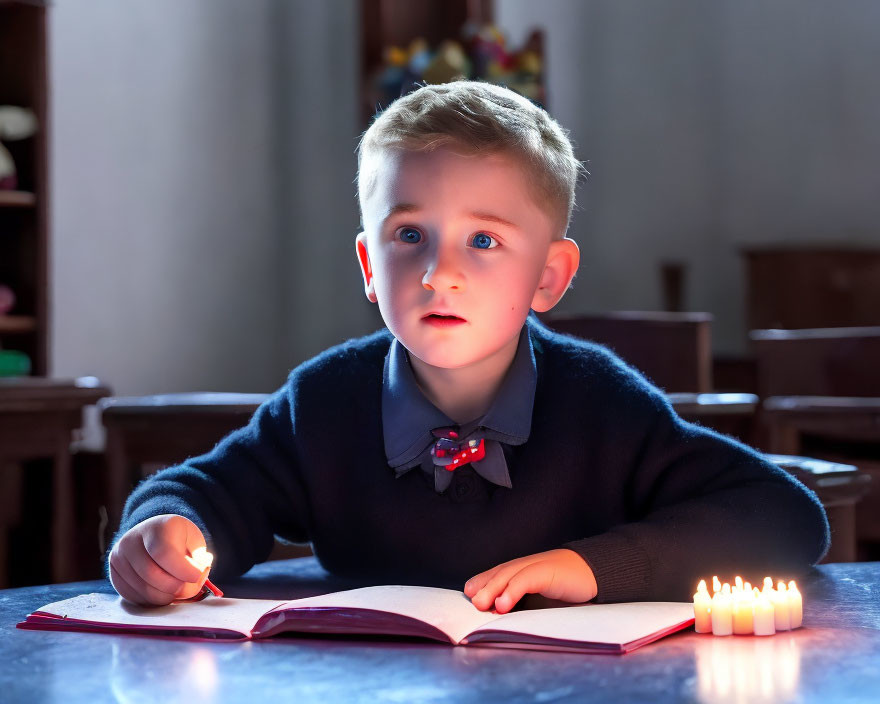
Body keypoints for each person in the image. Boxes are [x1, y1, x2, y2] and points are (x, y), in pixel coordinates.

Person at [108, 80, 829, 611]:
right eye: (409, 236)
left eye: (484, 240)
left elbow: (782, 514)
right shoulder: (323, 402)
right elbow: (209, 491)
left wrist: (594, 566)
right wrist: (164, 531)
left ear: (549, 276)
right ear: (368, 266)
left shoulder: (600, 402)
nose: (439, 273)